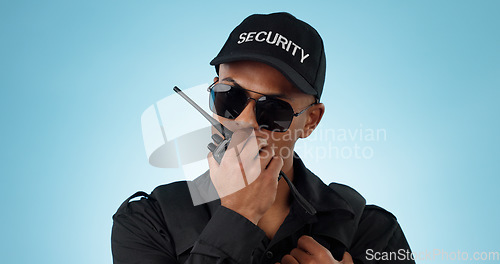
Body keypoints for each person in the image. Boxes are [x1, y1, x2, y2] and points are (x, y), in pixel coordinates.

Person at [111, 12, 415, 264]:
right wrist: (237, 215)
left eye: (274, 110)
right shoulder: (149, 221)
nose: (244, 121)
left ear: (310, 120)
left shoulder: (373, 232)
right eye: (229, 97)